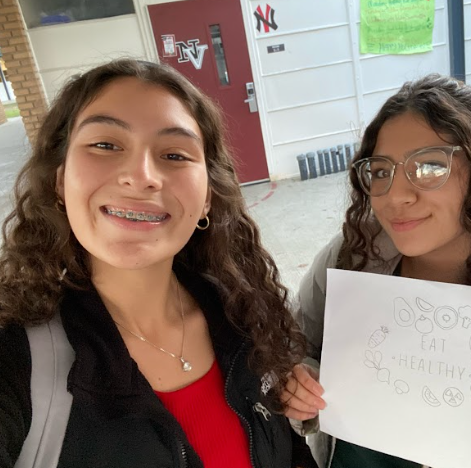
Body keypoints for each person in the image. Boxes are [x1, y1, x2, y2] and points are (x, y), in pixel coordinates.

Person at [0, 58, 318, 468]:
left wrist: (297, 399)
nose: (141, 175)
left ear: (207, 197)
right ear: (60, 181)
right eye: (105, 145)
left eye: (174, 154)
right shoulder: (16, 359)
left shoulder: (244, 315)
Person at [281, 73, 471, 468]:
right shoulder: (354, 255)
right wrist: (300, 385)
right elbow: (294, 346)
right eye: (381, 171)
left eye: (429, 167)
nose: (395, 197)